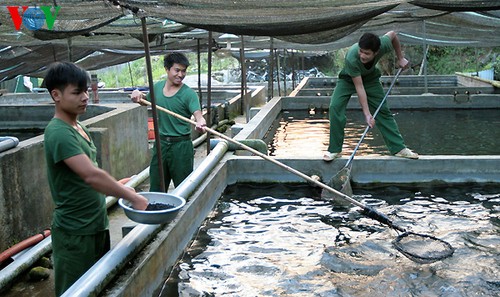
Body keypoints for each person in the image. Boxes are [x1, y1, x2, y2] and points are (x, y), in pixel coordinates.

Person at [43, 62, 149, 296]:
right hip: (75, 232)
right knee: (75, 290)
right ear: (56, 95)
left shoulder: (78, 126)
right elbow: (91, 175)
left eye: (86, 91)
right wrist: (132, 196)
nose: (84, 97)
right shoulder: (59, 132)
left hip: (96, 223)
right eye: (77, 92)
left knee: (97, 286)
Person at [323, 31, 418, 161]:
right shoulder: (352, 57)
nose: (362, 55)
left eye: (367, 53)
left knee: (382, 110)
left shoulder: (382, 44)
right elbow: (359, 87)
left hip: (370, 79)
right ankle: (334, 150)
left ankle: (398, 148)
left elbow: (393, 35)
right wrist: (367, 114)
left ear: (376, 52)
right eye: (361, 51)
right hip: (348, 79)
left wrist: (400, 58)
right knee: (335, 107)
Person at [130, 52, 206, 191]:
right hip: (161, 145)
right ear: (167, 69)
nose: (181, 75)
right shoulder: (157, 88)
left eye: (183, 71)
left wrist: (200, 122)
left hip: (181, 146)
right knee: (157, 187)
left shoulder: (189, 94)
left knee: (184, 189)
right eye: (177, 70)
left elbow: (198, 115)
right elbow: (144, 101)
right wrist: (137, 94)